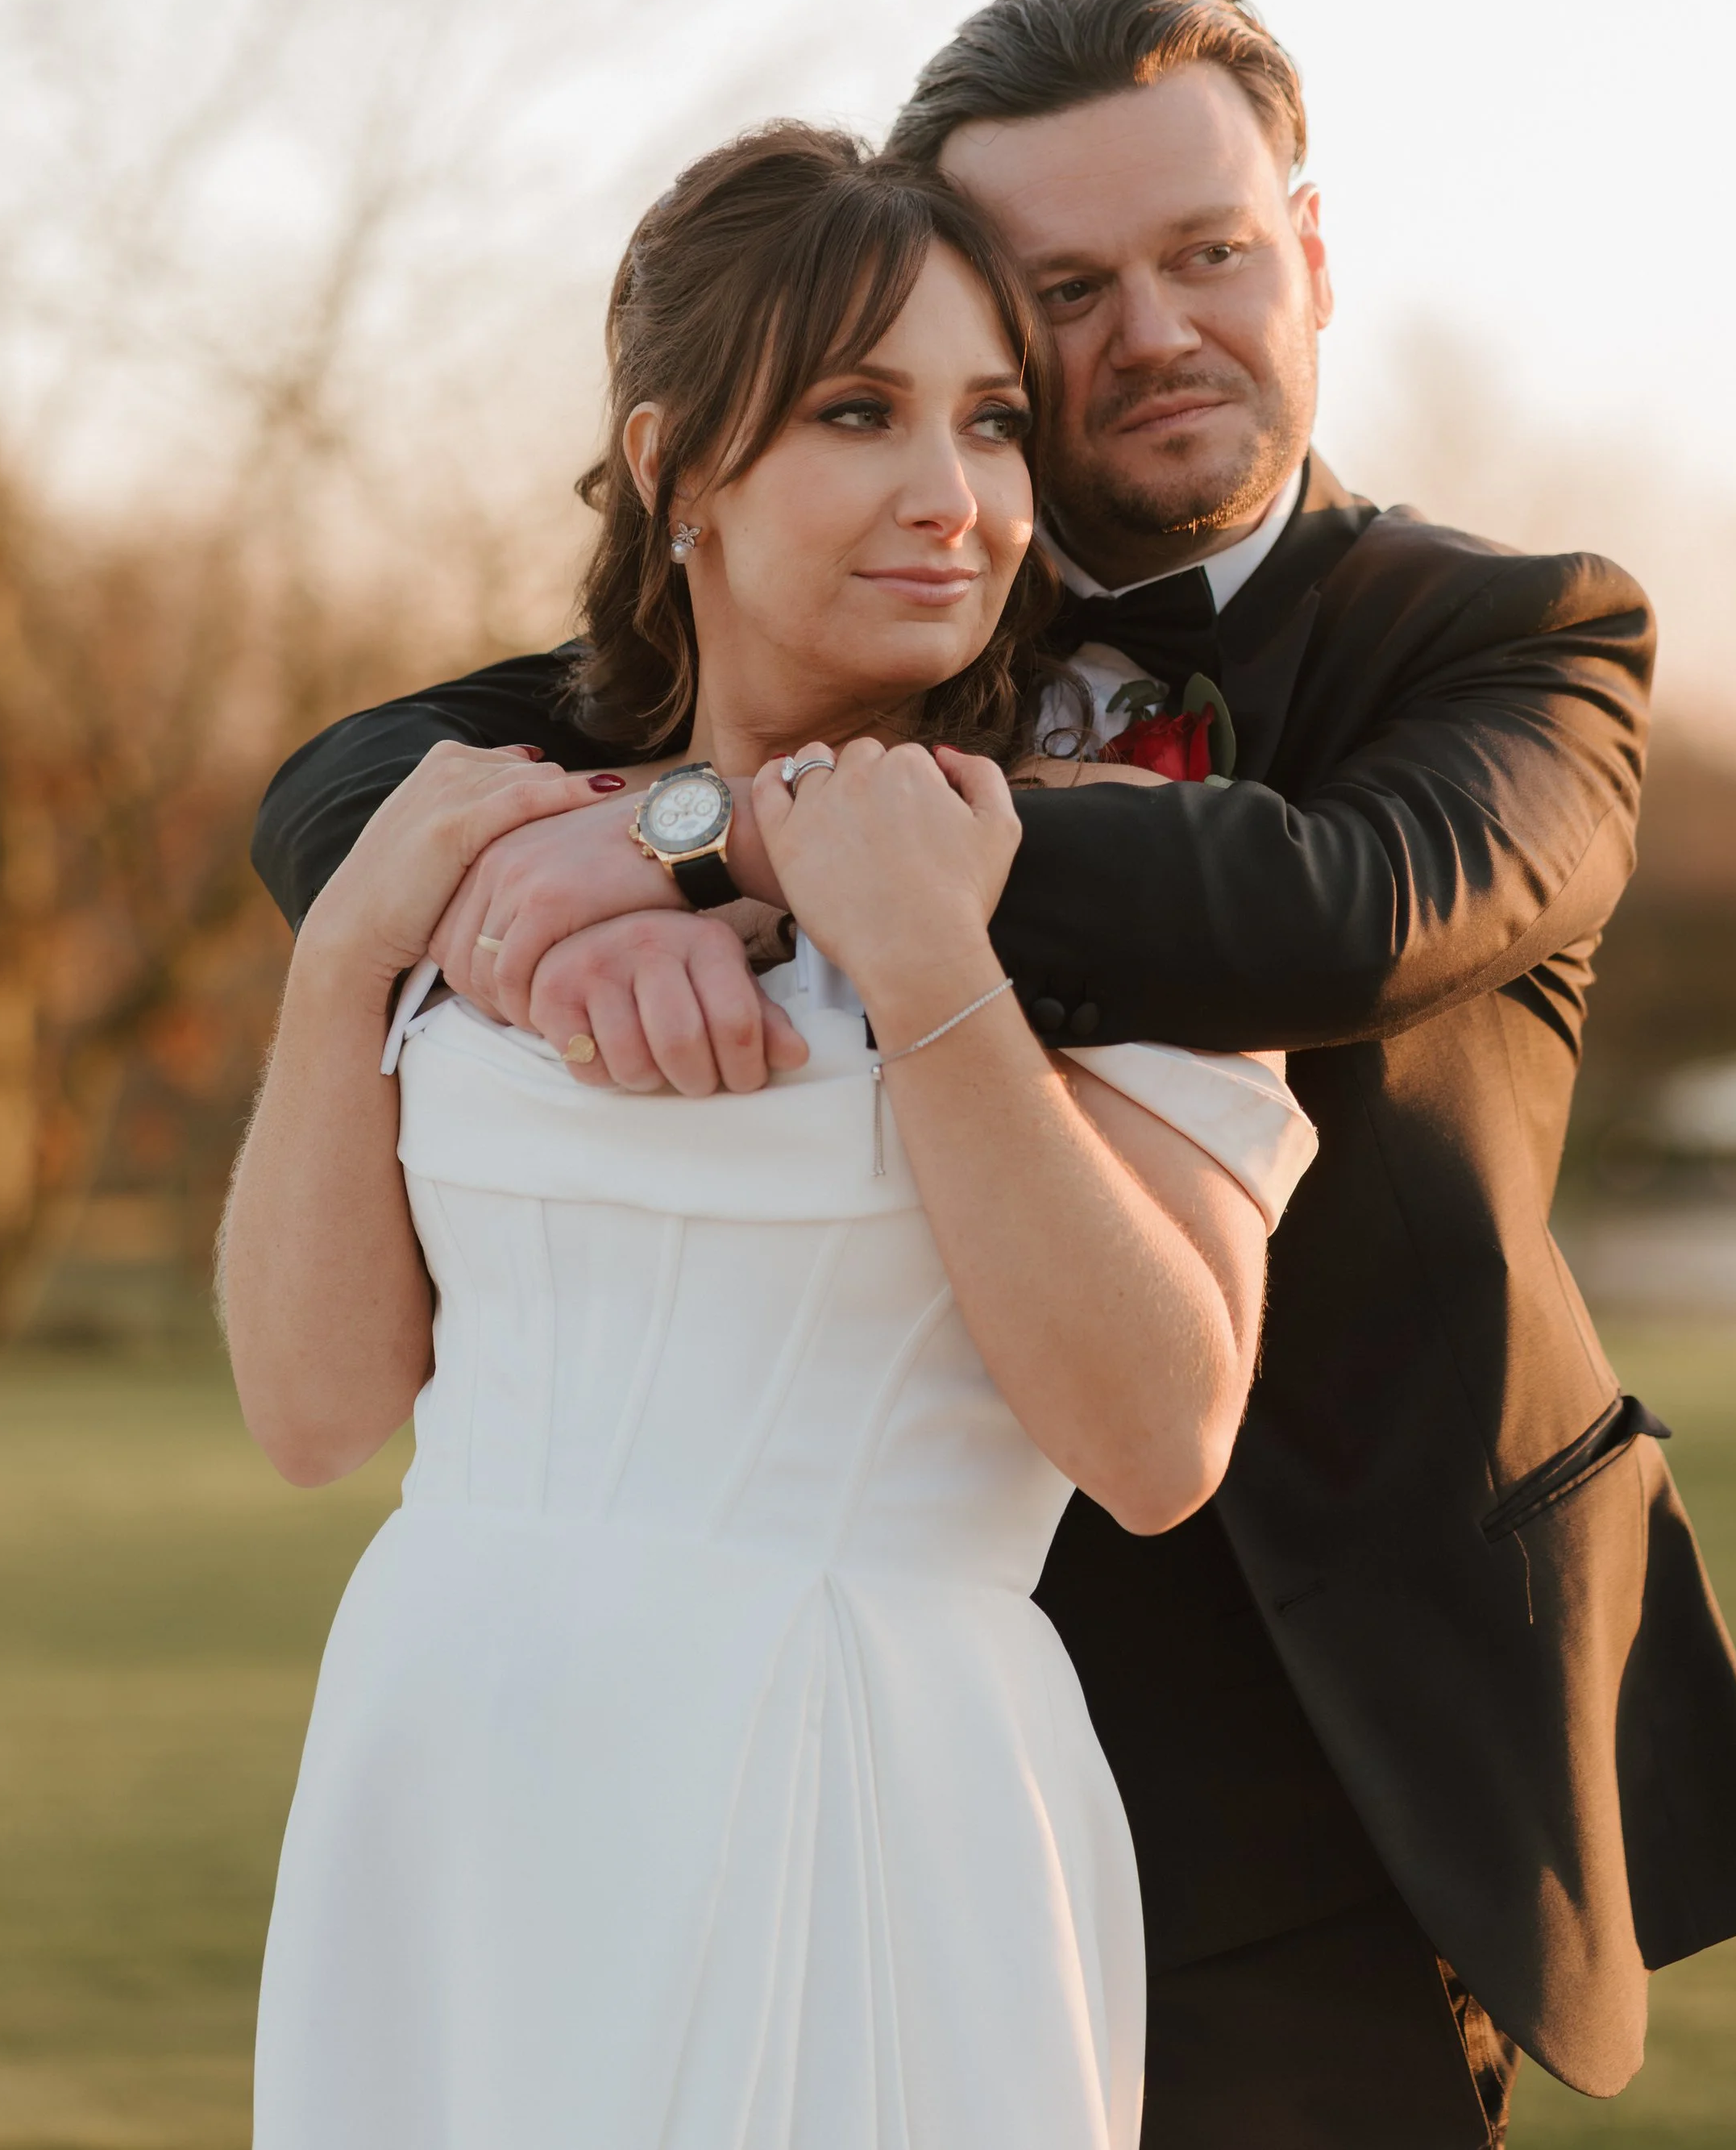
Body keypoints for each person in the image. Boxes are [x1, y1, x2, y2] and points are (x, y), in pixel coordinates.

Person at [253, 0, 1736, 2149]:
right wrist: (517, 878)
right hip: (813, 1666)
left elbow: (1348, 907)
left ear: (1311, 253)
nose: (1155, 329)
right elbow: (360, 774)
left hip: (1318, 1720)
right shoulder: (901, 581)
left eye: (1208, 253)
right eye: (1067, 289)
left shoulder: (1511, 628)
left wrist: (778, 857)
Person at [222, 124, 1319, 2149]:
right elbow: (309, 1413)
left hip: (865, 1763)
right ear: (674, 473)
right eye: (855, 413)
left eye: (991, 427)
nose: (952, 499)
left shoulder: (1112, 884)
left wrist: (926, 974)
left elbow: (1155, 1443)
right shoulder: (488, 849)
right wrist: (347, 957)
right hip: (453, 1747)